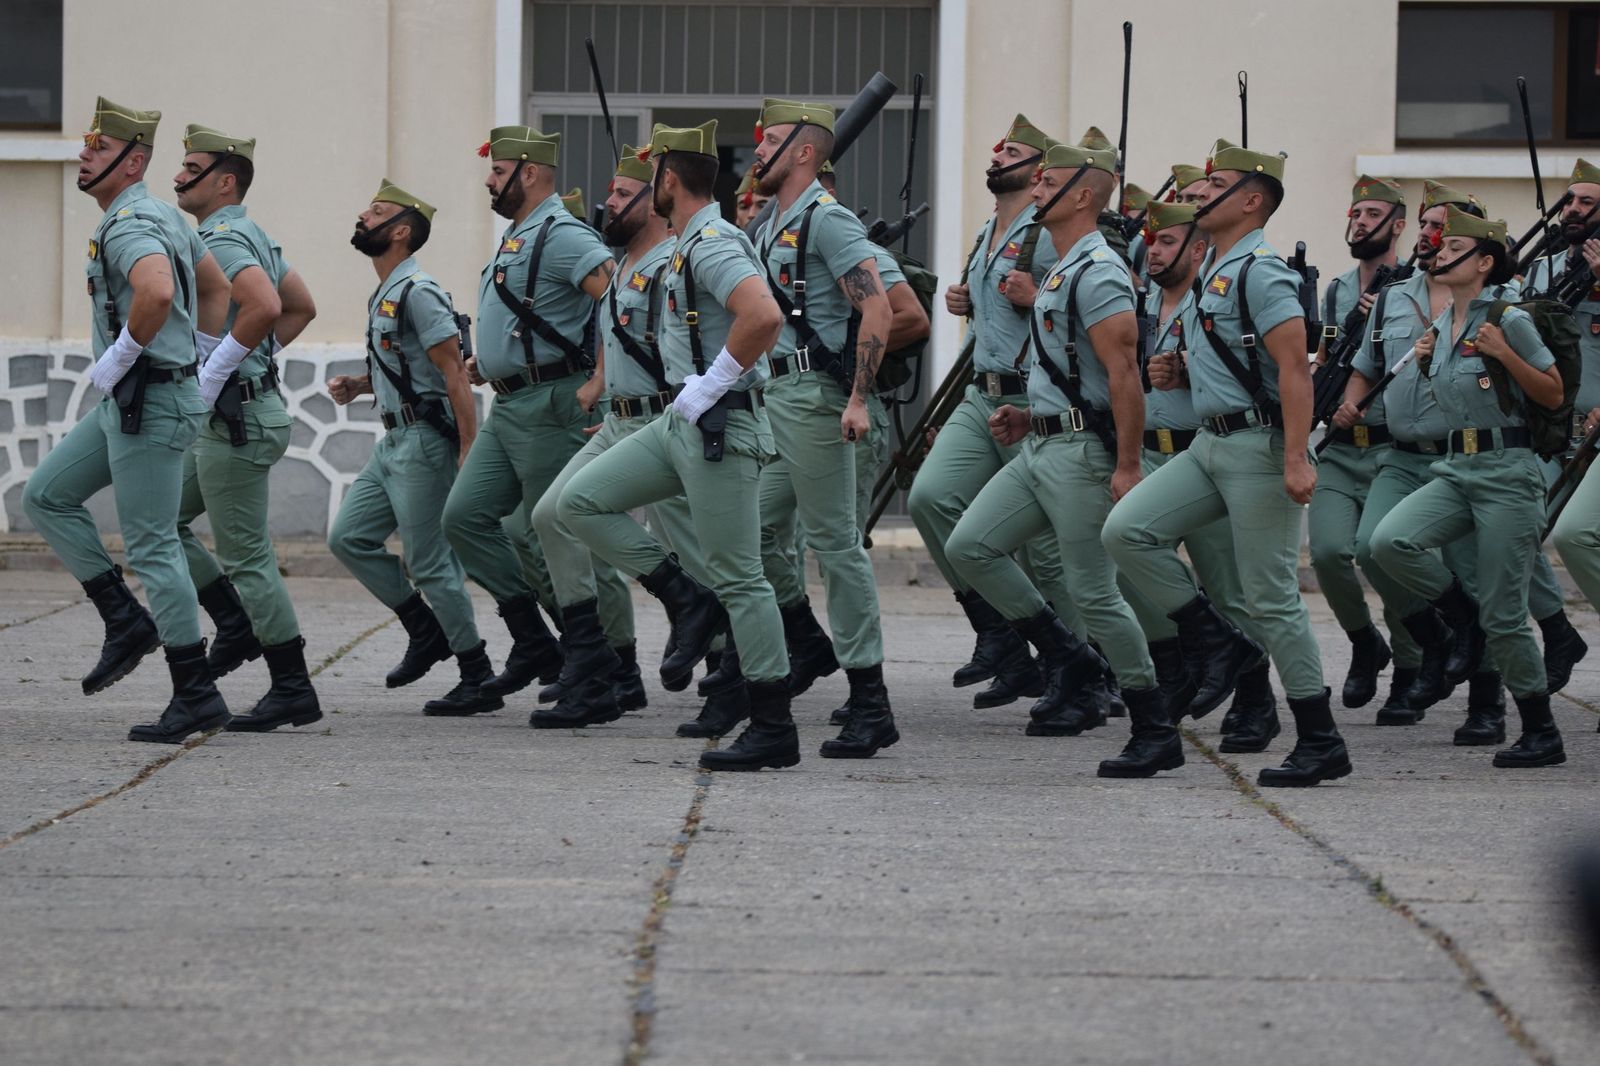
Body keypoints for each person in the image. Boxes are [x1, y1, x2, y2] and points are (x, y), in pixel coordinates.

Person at [1104, 138, 1348, 788]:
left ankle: (1320, 737)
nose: (1199, 194)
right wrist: (1177, 370)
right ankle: (1214, 639)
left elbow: (1295, 368)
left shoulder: (1261, 270)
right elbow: (1232, 361)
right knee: (1126, 531)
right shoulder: (1215, 269)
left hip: (1257, 450)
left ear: (1250, 199)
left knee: (1271, 597)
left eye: (1216, 186)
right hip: (1209, 444)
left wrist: (1297, 457)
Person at [559, 121, 800, 771]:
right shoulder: (685, 240)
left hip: (720, 426)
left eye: (652, 174)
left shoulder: (712, 240)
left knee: (743, 579)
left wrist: (711, 385)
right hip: (680, 424)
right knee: (576, 503)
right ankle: (683, 598)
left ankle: (774, 724)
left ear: (667, 179)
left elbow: (764, 316)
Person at [945, 139, 1180, 778]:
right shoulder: (1061, 268)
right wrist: (1027, 415)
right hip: (1039, 441)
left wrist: (1126, 465)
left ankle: (1153, 723)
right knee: (969, 546)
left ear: (1083, 194)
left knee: (1096, 593)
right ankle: (1067, 655)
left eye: (1051, 181)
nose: (1038, 187)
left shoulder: (1099, 269)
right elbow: (1062, 365)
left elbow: (1124, 374)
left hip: (1079, 453)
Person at [24, 96, 234, 743]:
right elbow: (218, 289)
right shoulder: (158, 216)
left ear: (131, 159)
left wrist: (124, 357)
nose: (83, 156)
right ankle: (123, 618)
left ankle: (194, 693)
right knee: (48, 495)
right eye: (86, 146)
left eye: (96, 147)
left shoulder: (130, 224)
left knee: (153, 544)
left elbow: (158, 292)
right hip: (137, 400)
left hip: (146, 402)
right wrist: (193, 365)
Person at [1370, 207, 1567, 768]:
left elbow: (1552, 394)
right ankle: (1463, 624)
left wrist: (1504, 352)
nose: (1439, 250)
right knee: (1390, 542)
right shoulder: (1443, 324)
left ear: (1483, 262)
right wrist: (1431, 364)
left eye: (1454, 245)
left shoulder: (1508, 317)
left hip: (1508, 473)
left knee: (1506, 613)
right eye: (1439, 243)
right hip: (1458, 468)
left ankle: (1540, 728)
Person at [906, 115, 1078, 713]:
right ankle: (1002, 636)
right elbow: (983, 330)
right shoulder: (988, 231)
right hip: (981, 392)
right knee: (930, 497)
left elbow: (1089, 313)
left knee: (1048, 550)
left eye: (1015, 150)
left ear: (1041, 171)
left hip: (1034, 398)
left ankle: (1075, 666)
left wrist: (1040, 298)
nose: (1000, 153)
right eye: (998, 145)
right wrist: (966, 302)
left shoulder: (1051, 232)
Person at [439, 126, 617, 703]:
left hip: (551, 403)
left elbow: (615, 299)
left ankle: (594, 666)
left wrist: (602, 375)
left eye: (498, 171)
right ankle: (534, 641)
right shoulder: (517, 238)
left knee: (554, 534)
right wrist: (490, 360)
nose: (490, 182)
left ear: (531, 173)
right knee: (463, 517)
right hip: (510, 400)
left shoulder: (563, 235)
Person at [749, 97, 899, 755]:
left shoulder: (827, 221)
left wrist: (858, 398)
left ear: (804, 153)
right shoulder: (766, 225)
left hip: (814, 398)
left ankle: (872, 700)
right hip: (773, 396)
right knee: (751, 532)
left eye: (772, 140)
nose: (758, 149)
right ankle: (808, 642)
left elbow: (881, 312)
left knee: (835, 546)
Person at [170, 123, 322, 733]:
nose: (178, 177)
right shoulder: (251, 231)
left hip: (234, 420)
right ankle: (234, 624)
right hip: (239, 412)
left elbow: (263, 306)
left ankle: (293, 687)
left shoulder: (223, 234)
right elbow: (301, 306)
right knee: (159, 520)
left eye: (190, 167)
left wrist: (218, 371)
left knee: (247, 556)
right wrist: (253, 363)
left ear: (223, 180)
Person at [326, 179, 494, 716]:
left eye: (375, 211)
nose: (362, 214)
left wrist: (468, 446)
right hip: (393, 439)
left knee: (429, 560)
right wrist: (362, 384)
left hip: (424, 442)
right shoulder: (387, 289)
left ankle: (477, 672)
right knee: (349, 537)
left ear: (399, 231)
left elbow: (453, 374)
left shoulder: (417, 291)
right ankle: (425, 630)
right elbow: (410, 370)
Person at [526, 145, 677, 727]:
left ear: (654, 202)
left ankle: (730, 673)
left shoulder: (671, 264)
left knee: (708, 555)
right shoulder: (626, 270)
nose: (606, 203)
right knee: (552, 514)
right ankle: (592, 666)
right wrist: (606, 388)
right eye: (610, 193)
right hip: (620, 420)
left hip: (667, 420)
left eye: (620, 194)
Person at [1134, 199, 1277, 753]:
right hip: (1151, 451)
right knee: (1134, 564)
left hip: (1207, 449)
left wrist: (1187, 367)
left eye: (1166, 242)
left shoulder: (1212, 301)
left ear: (1196, 249)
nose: (1154, 251)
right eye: (1151, 241)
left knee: (1228, 587)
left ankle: (1254, 700)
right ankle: (1182, 670)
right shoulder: (1145, 302)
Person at [1309, 176, 1409, 712]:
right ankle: (1363, 642)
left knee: (1383, 556)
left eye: (1374, 214)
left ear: (1398, 225)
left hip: (1392, 445)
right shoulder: (1338, 289)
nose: (1361, 221)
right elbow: (1328, 356)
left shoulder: (1414, 284)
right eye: (1356, 212)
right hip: (1342, 444)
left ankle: (1412, 663)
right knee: (1327, 551)